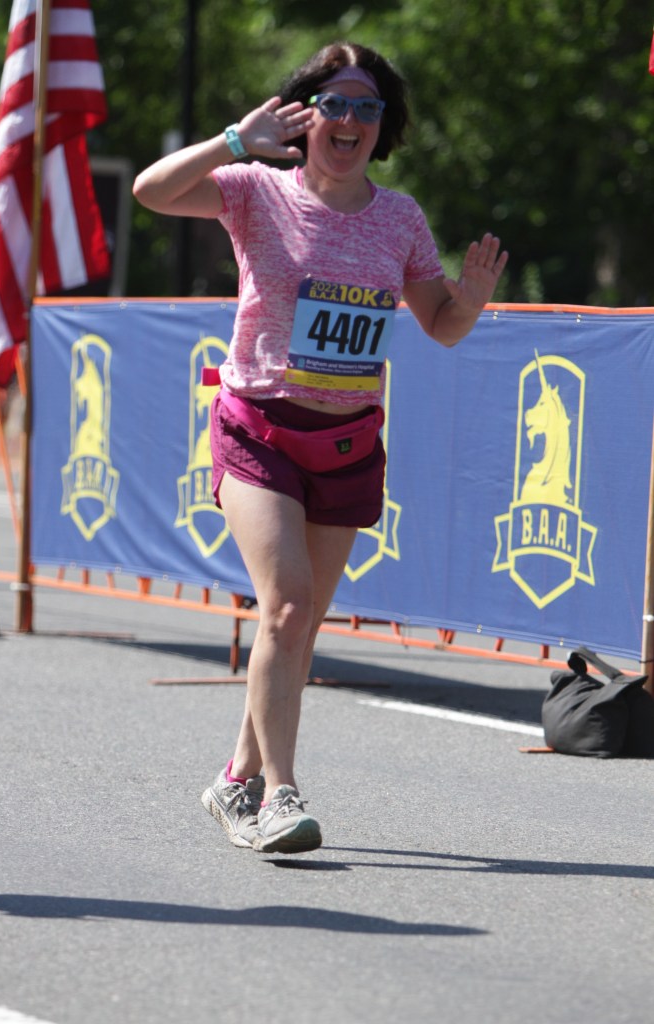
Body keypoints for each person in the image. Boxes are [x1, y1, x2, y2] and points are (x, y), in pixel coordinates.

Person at [133, 41, 508, 855]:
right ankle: (279, 795)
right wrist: (235, 140)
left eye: (367, 107)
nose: (349, 120)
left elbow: (441, 327)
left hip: (345, 443)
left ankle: (234, 779)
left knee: (294, 626)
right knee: (287, 607)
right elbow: (150, 192)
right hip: (258, 428)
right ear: (304, 118)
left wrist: (471, 300)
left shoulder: (399, 219)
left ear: (383, 126)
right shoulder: (254, 190)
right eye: (334, 103)